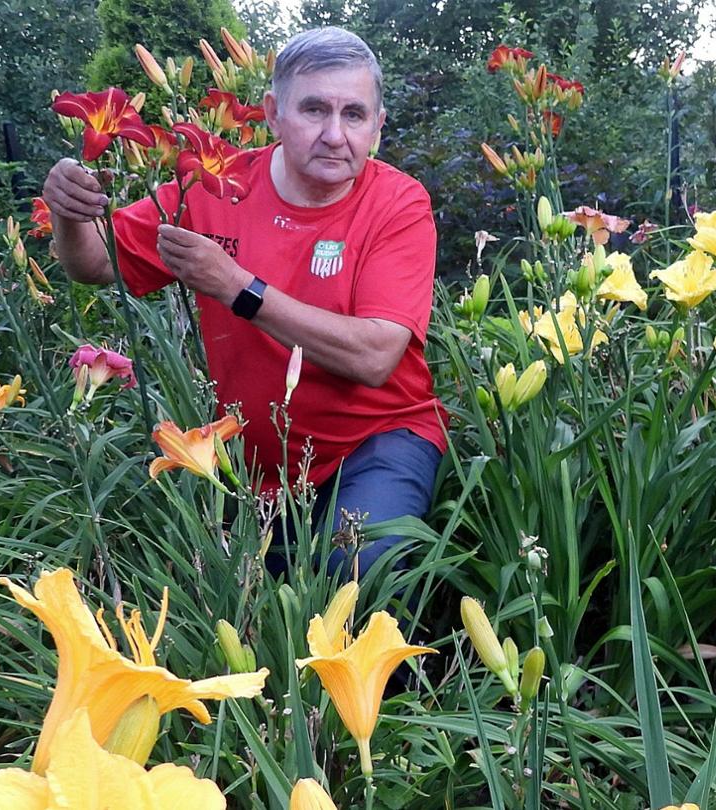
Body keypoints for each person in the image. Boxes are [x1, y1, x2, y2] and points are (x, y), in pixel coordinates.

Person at [41, 26, 447, 578]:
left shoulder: (398, 202)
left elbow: (376, 357)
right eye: (313, 110)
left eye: (354, 115)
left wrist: (237, 288)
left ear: (377, 125)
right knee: (244, 606)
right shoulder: (216, 183)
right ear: (273, 114)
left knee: (359, 570)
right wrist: (68, 211)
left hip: (378, 439)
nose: (334, 134)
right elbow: (94, 264)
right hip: (255, 462)